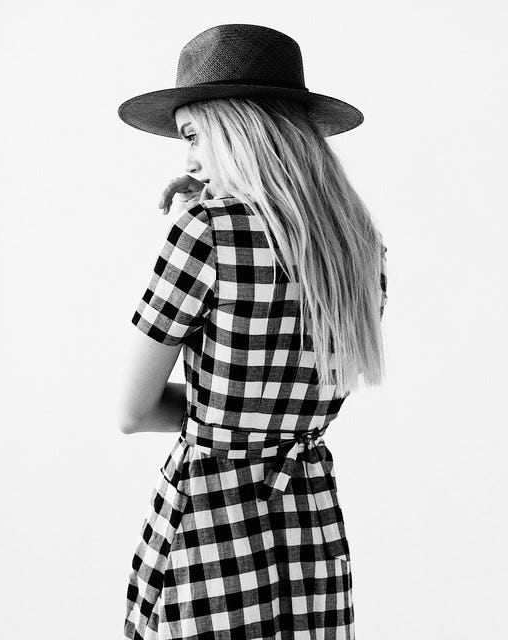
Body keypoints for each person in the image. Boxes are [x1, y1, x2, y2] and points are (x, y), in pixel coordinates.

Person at [117, 23, 388, 640]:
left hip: (210, 530)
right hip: (309, 527)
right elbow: (297, 394)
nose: (188, 160)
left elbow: (132, 411)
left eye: (193, 136)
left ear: (240, 130)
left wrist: (223, 417)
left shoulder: (205, 232)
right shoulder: (361, 247)